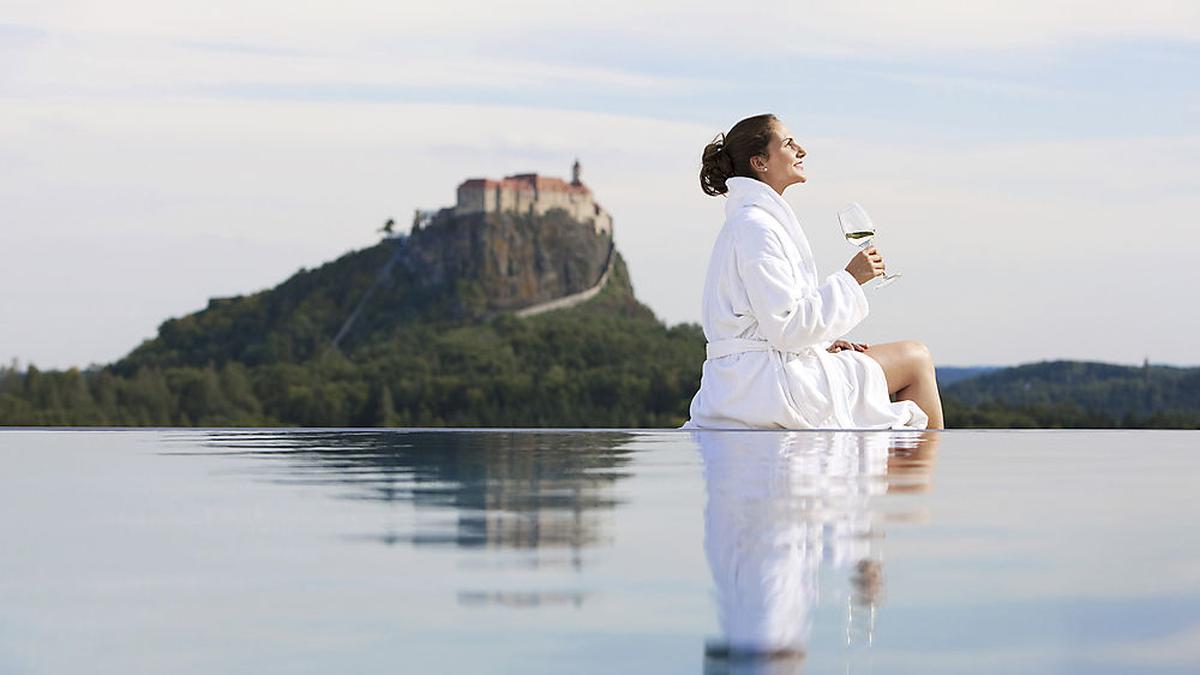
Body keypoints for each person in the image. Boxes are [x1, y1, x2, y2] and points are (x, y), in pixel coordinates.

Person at [680, 113, 945, 430]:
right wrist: (851, 280)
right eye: (789, 144)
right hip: (768, 388)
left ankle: (908, 479)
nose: (801, 150)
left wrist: (822, 343)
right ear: (760, 163)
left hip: (749, 379)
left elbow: (771, 320)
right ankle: (919, 480)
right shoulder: (757, 228)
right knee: (916, 358)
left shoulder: (751, 223)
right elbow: (785, 327)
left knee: (905, 359)